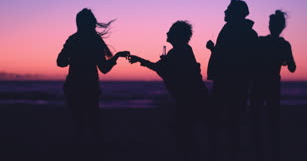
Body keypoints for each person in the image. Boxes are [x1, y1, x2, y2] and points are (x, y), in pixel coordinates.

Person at [129, 21, 209, 161]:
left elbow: (163, 71)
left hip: (189, 99)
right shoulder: (183, 50)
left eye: (170, 31)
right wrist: (144, 61)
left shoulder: (179, 51)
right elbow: (163, 69)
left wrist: (145, 61)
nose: (167, 33)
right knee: (185, 132)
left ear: (177, 35)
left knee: (183, 133)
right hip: (193, 97)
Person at [56, 8, 129, 143]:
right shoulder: (95, 41)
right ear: (91, 23)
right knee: (93, 123)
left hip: (73, 86)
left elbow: (60, 62)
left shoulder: (73, 39)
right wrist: (117, 56)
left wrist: (72, 59)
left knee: (78, 123)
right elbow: (104, 69)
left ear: (78, 23)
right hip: (90, 87)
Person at [206, 0, 258, 161]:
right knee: (224, 118)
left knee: (230, 119)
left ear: (237, 13)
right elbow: (227, 55)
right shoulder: (232, 29)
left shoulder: (247, 33)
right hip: (225, 81)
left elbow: (241, 59)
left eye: (228, 9)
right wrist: (213, 49)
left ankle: (227, 152)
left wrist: (215, 50)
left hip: (233, 83)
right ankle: (223, 151)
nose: (225, 11)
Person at [250, 10, 296, 161]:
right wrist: (285, 60)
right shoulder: (284, 45)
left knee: (257, 118)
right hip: (272, 84)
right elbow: (292, 67)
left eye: (272, 24)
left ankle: (259, 151)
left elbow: (251, 59)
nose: (271, 26)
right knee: (272, 119)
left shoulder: (261, 41)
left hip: (259, 83)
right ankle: (272, 151)